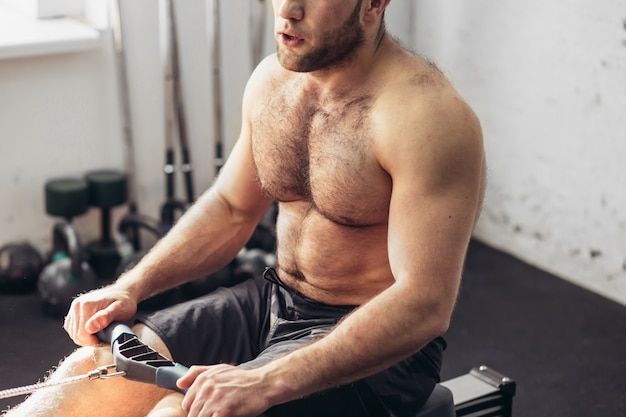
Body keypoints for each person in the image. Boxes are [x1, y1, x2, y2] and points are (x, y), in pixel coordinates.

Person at [5, 0, 485, 416]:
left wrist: (265, 381)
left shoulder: (426, 118)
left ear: (374, 3)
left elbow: (424, 304)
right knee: (95, 368)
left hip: (381, 351)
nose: (287, 12)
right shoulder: (274, 82)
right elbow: (233, 209)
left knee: (179, 411)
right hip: (273, 302)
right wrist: (130, 286)